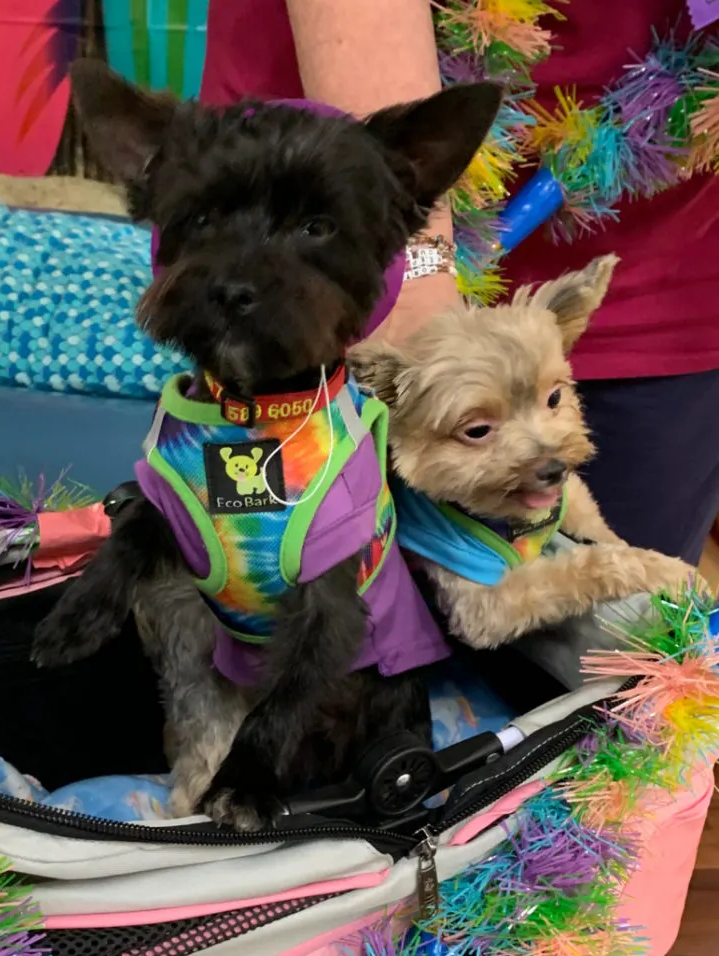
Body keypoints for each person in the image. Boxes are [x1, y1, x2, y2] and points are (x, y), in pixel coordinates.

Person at [200, 0, 719, 567]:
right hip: (321, 234)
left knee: (626, 621)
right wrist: (404, 267)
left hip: (663, 246)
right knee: (276, 585)